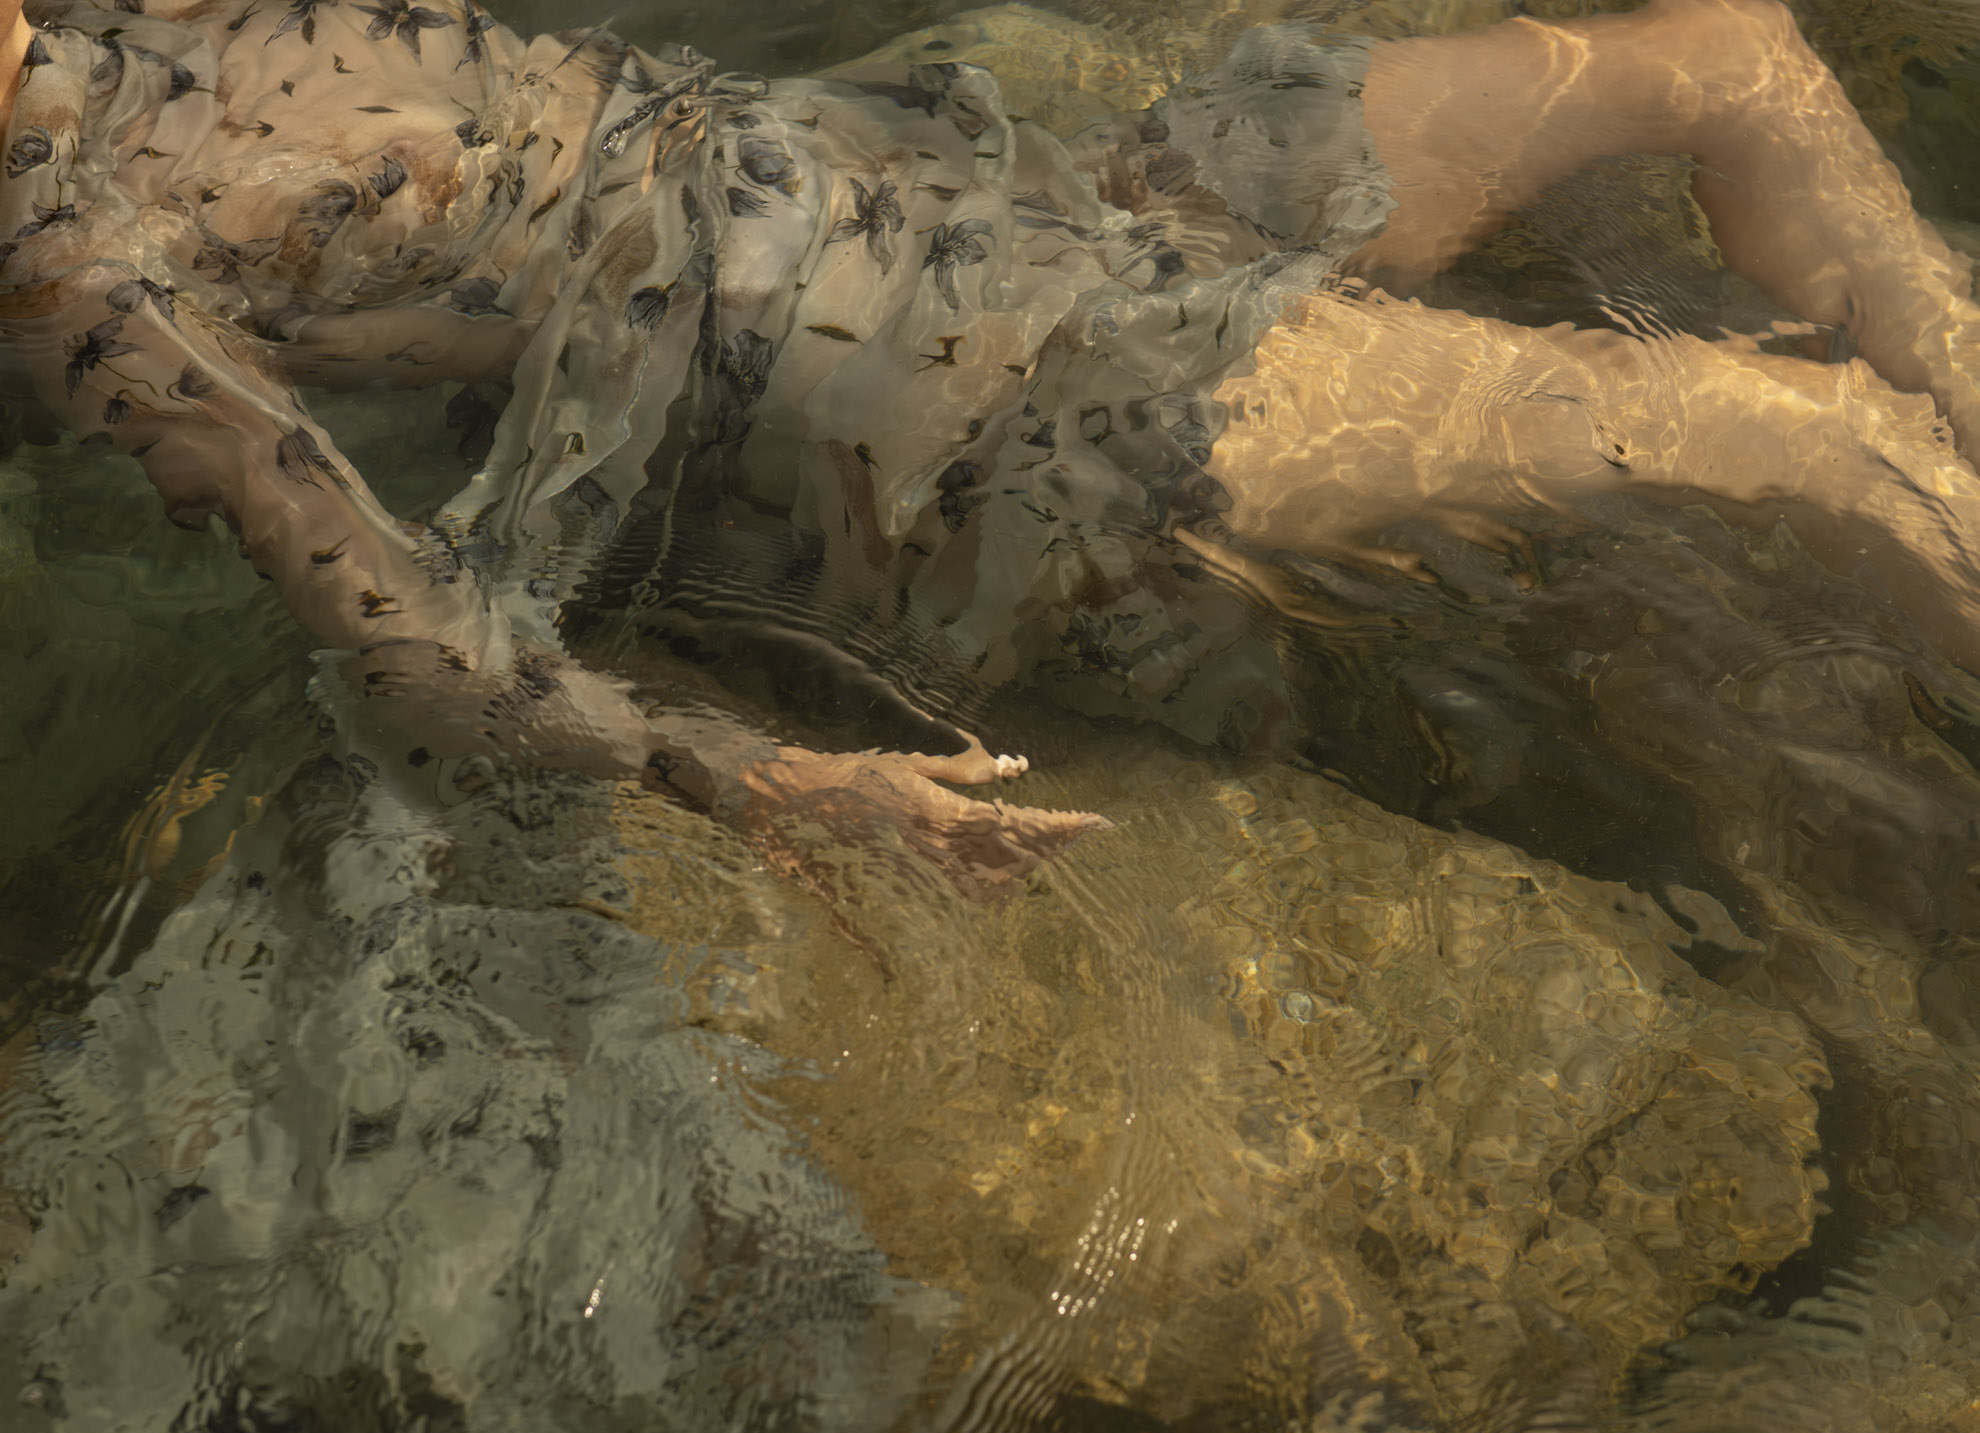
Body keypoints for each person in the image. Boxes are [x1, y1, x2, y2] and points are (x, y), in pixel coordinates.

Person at [2, 0, 1978, 872]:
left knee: (1726, 82)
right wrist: (771, 786)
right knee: (1784, 413)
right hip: (947, 361)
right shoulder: (79, 259)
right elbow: (413, 643)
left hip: (954, 235)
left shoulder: (114, 76)